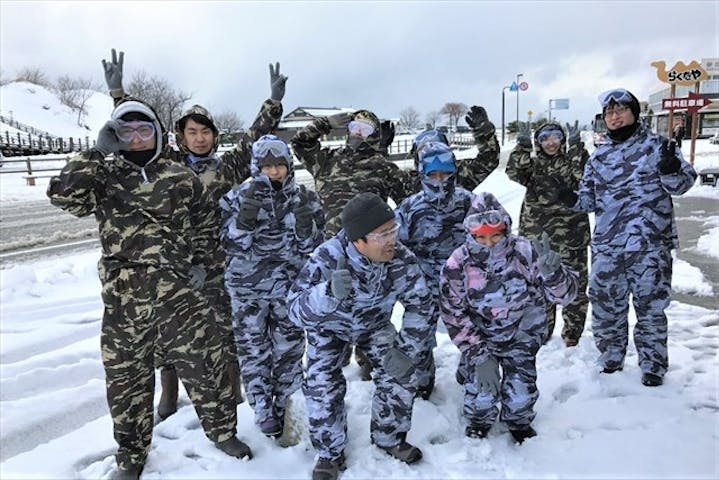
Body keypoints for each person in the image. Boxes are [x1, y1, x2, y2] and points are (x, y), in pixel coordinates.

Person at [47, 96, 252, 479]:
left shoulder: (179, 176)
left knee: (206, 366)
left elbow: (206, 227)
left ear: (158, 134)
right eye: (127, 130)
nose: (138, 138)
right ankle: (131, 455)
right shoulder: (104, 177)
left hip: (180, 295)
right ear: (115, 134)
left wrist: (204, 269)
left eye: (145, 129)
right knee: (127, 380)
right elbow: (62, 196)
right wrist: (95, 152)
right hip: (126, 301)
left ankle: (223, 431)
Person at [102, 49, 286, 418]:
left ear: (213, 136)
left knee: (226, 328)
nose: (199, 138)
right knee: (168, 333)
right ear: (181, 136)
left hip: (220, 263)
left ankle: (232, 393)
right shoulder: (165, 165)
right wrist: (119, 96)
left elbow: (255, 138)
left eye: (205, 132)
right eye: (192, 132)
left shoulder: (228, 166)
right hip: (174, 265)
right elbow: (135, 133)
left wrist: (274, 103)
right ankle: (168, 398)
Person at [287, 192, 434, 480]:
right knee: (321, 382)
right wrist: (326, 294)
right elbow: (294, 310)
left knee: (402, 370)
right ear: (358, 240)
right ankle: (330, 453)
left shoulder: (401, 258)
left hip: (374, 325)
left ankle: (389, 436)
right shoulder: (327, 258)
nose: (392, 239)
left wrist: (405, 348)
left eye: (393, 229)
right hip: (329, 328)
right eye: (382, 234)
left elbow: (422, 305)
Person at [557, 88, 697, 387]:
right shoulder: (599, 156)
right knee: (606, 306)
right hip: (608, 247)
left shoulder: (659, 147)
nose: (614, 116)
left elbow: (682, 184)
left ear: (634, 113)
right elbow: (589, 200)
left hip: (650, 246)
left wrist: (671, 170)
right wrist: (569, 197)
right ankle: (610, 358)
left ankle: (653, 366)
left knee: (651, 309)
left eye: (620, 110)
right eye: (609, 112)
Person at [440, 192, 578, 443]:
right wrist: (479, 355)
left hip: (520, 335)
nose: (489, 243)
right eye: (481, 237)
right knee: (482, 397)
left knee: (520, 399)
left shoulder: (525, 252)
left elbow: (564, 297)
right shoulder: (458, 263)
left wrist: (555, 274)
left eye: (495, 235)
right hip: (481, 337)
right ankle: (478, 417)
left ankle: (518, 421)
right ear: (471, 236)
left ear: (505, 230)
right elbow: (453, 313)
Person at [291, 109, 412, 381]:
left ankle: (368, 359)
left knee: (371, 310)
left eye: (366, 130)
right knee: (330, 303)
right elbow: (299, 144)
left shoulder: (382, 166)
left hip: (371, 255)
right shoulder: (327, 160)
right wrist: (324, 124)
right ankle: (338, 352)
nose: (359, 133)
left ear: (374, 135)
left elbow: (409, 199)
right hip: (332, 254)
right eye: (355, 127)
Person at [220, 134, 324, 439]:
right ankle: (263, 407)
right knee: (254, 351)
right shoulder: (236, 198)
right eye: (266, 166)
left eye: (279, 164)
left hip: (289, 289)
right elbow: (230, 246)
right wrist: (246, 216)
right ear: (255, 166)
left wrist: (307, 225)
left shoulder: (306, 198)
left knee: (289, 350)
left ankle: (288, 403)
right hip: (247, 289)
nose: (273, 172)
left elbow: (314, 249)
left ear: (289, 165)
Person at [395, 141, 476, 400]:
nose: (440, 181)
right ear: (422, 174)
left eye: (445, 174)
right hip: (424, 285)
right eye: (433, 174)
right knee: (417, 338)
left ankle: (470, 371)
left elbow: (491, 239)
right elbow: (396, 247)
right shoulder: (410, 208)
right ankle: (422, 380)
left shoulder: (469, 202)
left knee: (476, 332)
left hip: (464, 283)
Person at [506, 120, 590, 347]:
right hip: (538, 235)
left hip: (572, 234)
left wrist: (576, 147)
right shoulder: (533, 167)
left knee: (576, 285)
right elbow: (513, 171)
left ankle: (572, 333)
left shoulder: (571, 160)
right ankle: (542, 331)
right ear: (538, 143)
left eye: (555, 137)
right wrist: (522, 146)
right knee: (539, 284)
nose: (551, 143)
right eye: (544, 139)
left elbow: (583, 176)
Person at [408, 105, 500, 193]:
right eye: (427, 156)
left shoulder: (458, 175)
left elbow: (488, 161)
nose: (438, 178)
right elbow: (393, 178)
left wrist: (483, 134)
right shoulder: (410, 184)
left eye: (441, 155)